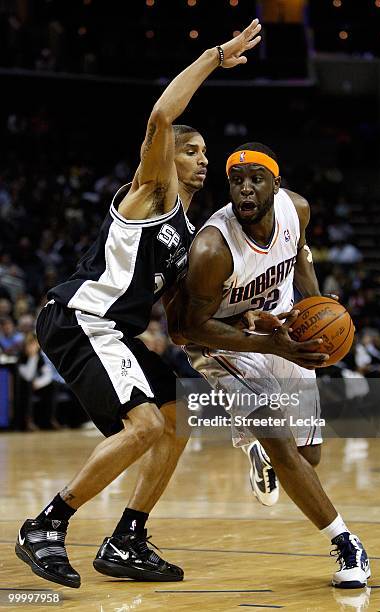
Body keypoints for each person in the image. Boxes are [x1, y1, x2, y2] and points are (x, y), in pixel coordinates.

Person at [15, 20, 262, 589]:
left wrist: (251, 323)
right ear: (166, 158)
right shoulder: (152, 192)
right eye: (192, 151)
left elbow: (185, 314)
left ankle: (128, 537)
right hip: (82, 319)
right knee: (146, 426)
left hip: (114, 334)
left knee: (177, 420)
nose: (203, 160)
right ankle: (46, 525)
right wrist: (214, 57)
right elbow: (160, 117)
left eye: (206, 153)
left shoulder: (189, 230)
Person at [170, 142, 371, 588]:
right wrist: (271, 346)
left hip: (282, 327)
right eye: (237, 181)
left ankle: (259, 447)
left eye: (255, 180)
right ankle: (346, 544)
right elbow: (188, 329)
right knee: (280, 442)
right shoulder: (212, 247)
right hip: (224, 343)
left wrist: (314, 308)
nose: (245, 189)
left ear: (275, 185)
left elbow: (299, 260)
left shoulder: (296, 211)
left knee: (307, 457)